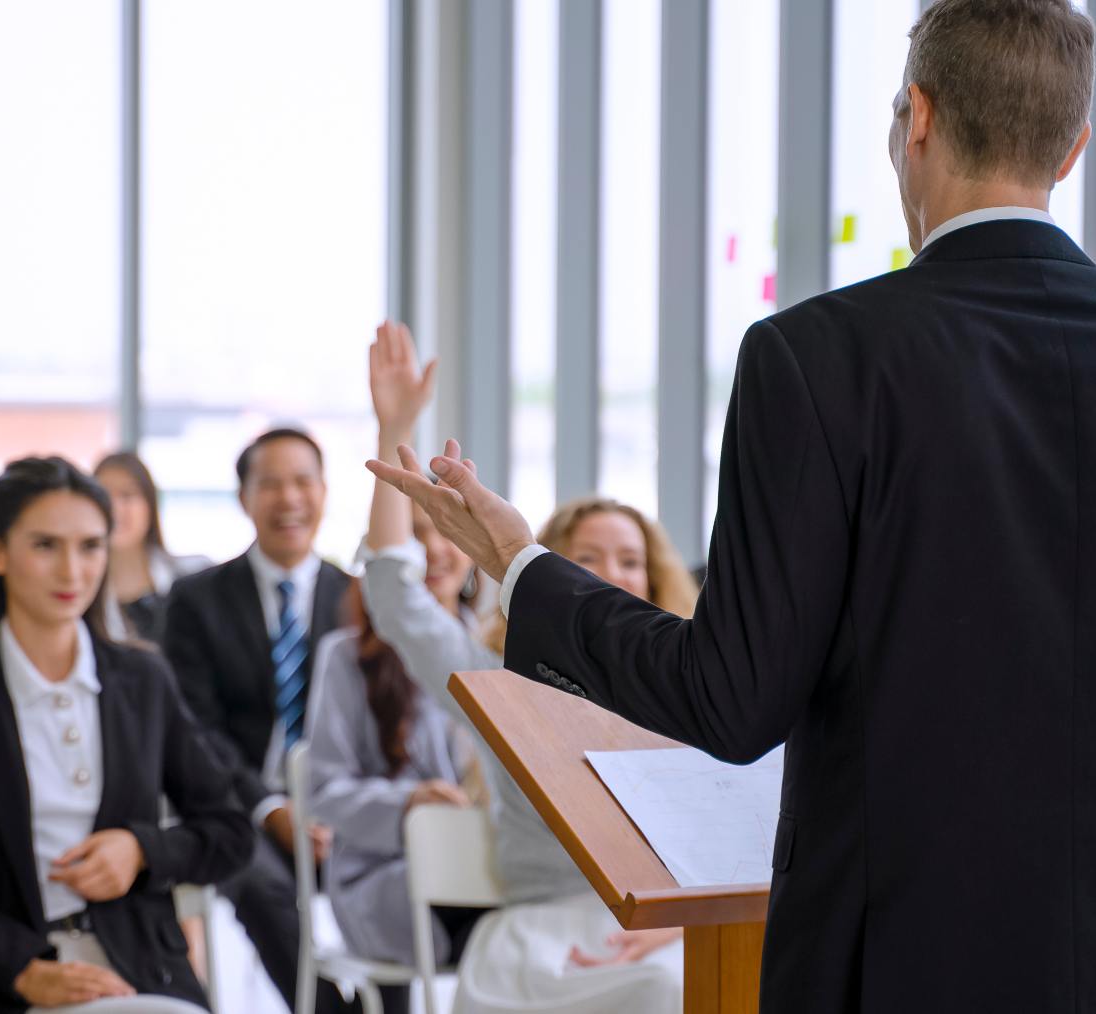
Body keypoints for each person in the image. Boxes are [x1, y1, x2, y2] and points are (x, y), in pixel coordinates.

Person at [371, 1, 1096, 1010]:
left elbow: (728, 699)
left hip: (893, 969)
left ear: (918, 119)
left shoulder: (814, 358)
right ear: (1074, 149)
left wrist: (520, 562)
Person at [360, 322, 699, 1014]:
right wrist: (394, 426)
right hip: (535, 933)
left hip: (669, 929)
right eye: (588, 558)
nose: (611, 576)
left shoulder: (688, 678)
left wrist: (679, 925)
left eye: (630, 560)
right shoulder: (501, 681)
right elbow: (394, 596)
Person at [0, 456, 252, 1013]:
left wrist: (141, 849)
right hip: (4, 983)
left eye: (90, 546)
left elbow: (229, 831)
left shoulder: (143, 680)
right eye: (45, 546)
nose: (72, 571)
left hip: (141, 971)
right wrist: (23, 970)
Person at [159, 429, 349, 1013]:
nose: (289, 499)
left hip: (342, 804)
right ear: (244, 499)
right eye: (270, 484)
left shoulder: (358, 599)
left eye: (302, 482)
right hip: (240, 805)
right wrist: (270, 808)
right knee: (258, 881)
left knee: (382, 881)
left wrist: (338, 810)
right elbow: (194, 729)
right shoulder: (196, 600)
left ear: (323, 492)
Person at [307, 571, 488, 1014]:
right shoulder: (346, 655)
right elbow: (325, 790)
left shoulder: (496, 645)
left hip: (487, 866)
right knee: (511, 926)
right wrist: (407, 802)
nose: (431, 551)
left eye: (444, 534)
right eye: (413, 537)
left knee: (545, 910)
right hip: (389, 879)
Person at [93, 453, 209, 643]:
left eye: (127, 495)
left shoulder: (194, 576)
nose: (114, 508)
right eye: (104, 496)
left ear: (150, 503)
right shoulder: (79, 593)